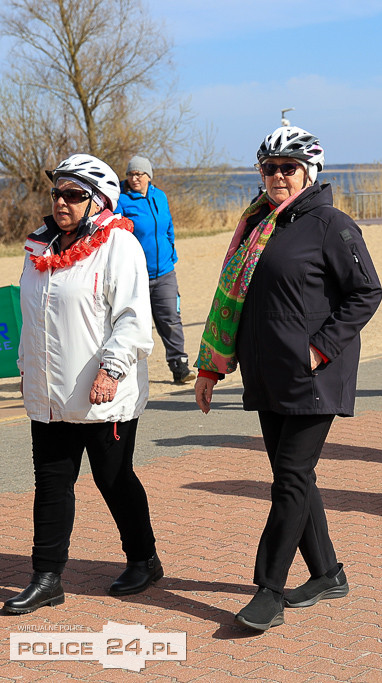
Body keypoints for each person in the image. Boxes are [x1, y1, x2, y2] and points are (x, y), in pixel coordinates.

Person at [193, 126, 382, 631]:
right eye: (269, 168)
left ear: (308, 172)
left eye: (288, 167)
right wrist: (213, 366)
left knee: (291, 480)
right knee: (294, 479)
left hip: (314, 377)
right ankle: (327, 574)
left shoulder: (331, 224)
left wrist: (320, 347)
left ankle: (268, 590)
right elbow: (235, 302)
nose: (277, 176)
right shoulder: (259, 224)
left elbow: (367, 292)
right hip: (268, 374)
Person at [4, 154, 160, 615]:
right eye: (57, 193)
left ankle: (144, 559)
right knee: (51, 483)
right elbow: (30, 317)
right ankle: (47, 577)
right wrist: (26, 367)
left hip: (102, 393)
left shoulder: (119, 246)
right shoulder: (39, 249)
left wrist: (111, 371)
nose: (61, 202)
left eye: (74, 194)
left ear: (99, 201)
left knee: (112, 479)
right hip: (49, 393)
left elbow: (133, 319)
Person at [115, 155, 193, 385]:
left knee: (170, 319)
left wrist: (172, 251)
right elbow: (117, 233)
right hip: (135, 275)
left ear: (149, 176)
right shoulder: (121, 200)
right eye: (130, 174)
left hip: (165, 272)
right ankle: (123, 370)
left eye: (139, 174)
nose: (134, 178)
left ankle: (179, 366)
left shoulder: (160, 196)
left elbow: (168, 226)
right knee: (132, 322)